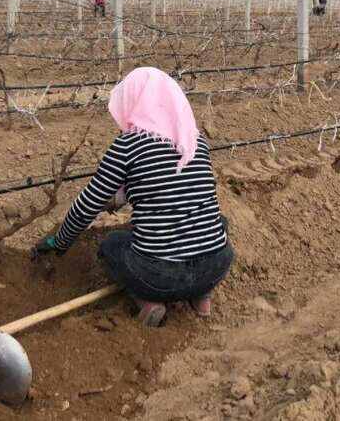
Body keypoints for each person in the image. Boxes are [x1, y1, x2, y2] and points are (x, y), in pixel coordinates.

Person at [34, 67, 234, 327]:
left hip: (159, 278)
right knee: (218, 223)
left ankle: (148, 302)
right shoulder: (195, 141)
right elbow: (167, 184)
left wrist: (59, 242)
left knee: (112, 245)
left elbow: (87, 206)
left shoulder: (128, 146)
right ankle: (202, 296)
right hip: (218, 265)